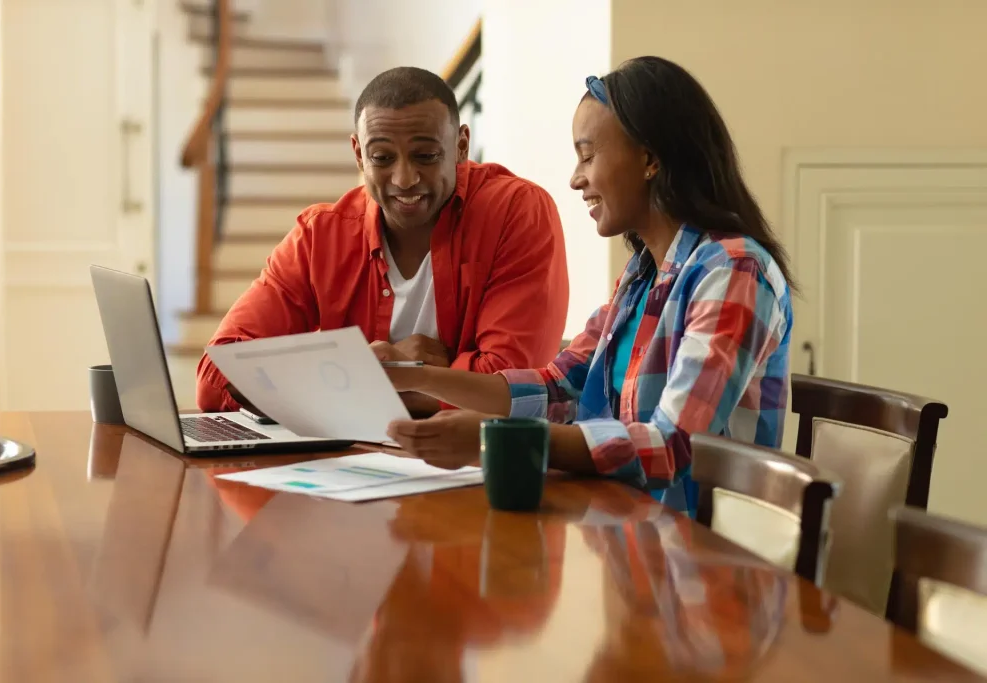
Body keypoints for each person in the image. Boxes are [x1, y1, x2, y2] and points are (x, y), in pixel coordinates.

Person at [373, 56, 795, 517]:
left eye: (588, 155)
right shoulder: (641, 277)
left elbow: (672, 446)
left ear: (650, 159)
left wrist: (493, 438)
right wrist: (413, 375)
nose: (576, 179)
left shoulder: (733, 271)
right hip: (629, 531)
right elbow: (557, 389)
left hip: (700, 548)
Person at [196, 66, 570, 415]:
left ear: (461, 146)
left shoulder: (516, 212)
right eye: (382, 158)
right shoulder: (320, 235)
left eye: (426, 156)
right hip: (349, 457)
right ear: (359, 154)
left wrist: (337, 384)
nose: (404, 178)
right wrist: (371, 368)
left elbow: (513, 388)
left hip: (472, 456)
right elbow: (217, 376)